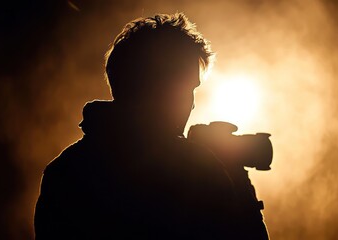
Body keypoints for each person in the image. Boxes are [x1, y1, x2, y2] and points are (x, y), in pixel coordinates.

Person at [34, 13, 269, 239]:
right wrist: (235, 177)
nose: (193, 104)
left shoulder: (64, 172)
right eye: (187, 88)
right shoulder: (196, 171)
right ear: (159, 88)